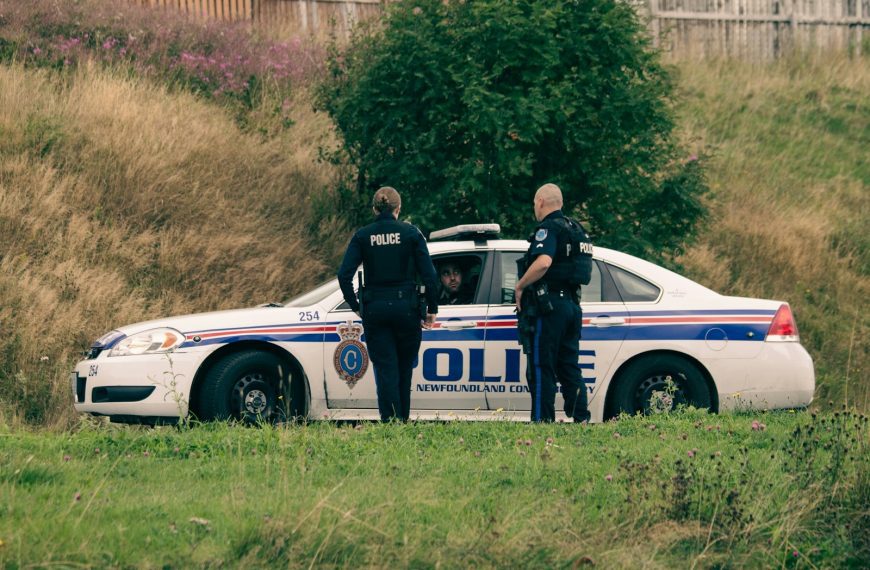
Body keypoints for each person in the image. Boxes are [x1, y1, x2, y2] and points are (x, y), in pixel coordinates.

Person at [337, 186, 439, 422]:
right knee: (404, 368)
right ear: (398, 208)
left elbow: (344, 275)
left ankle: (390, 422)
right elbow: (429, 275)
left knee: (385, 370)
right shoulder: (412, 233)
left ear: (375, 209)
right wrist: (432, 309)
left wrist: (355, 305)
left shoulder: (363, 236)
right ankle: (402, 420)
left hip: (375, 309)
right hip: (407, 309)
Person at [514, 183, 591, 423]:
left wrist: (520, 286)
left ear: (540, 202)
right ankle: (581, 419)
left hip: (549, 308)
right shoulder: (577, 230)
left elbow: (544, 262)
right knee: (569, 366)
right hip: (572, 306)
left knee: (541, 367)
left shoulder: (548, 229)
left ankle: (542, 423)